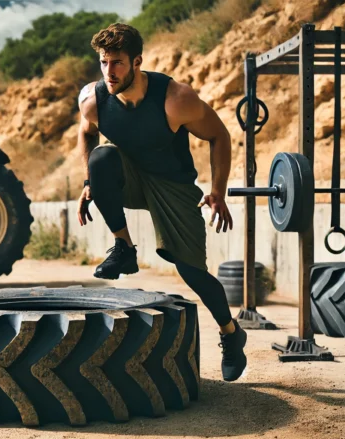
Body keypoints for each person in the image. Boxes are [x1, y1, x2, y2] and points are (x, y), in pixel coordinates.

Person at [76, 22, 247, 382]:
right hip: (132, 179)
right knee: (102, 159)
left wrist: (217, 190)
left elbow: (219, 135)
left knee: (193, 273)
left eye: (118, 63)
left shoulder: (175, 99)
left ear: (137, 61)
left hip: (173, 186)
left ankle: (231, 333)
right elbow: (86, 136)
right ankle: (123, 246)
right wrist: (89, 183)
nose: (110, 71)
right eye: (104, 62)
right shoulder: (94, 101)